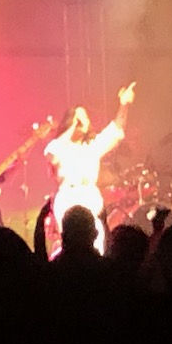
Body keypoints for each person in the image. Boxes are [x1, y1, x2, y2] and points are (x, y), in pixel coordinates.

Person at [44, 82, 136, 252]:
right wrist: (72, 127)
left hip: (89, 196)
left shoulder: (92, 147)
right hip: (67, 197)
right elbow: (51, 153)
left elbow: (116, 131)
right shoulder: (59, 147)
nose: (81, 120)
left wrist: (124, 104)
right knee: (71, 242)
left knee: (96, 242)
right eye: (77, 117)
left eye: (84, 116)